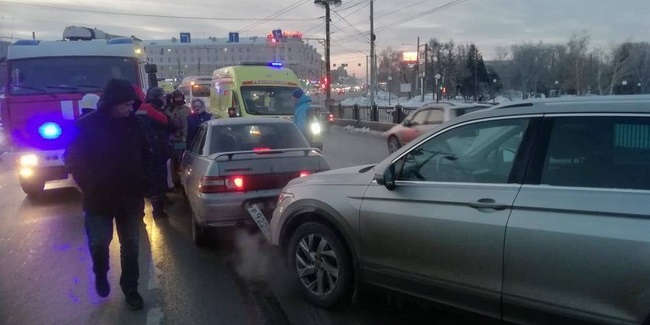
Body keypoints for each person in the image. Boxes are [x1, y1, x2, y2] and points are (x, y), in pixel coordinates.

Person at [65, 78, 152, 310]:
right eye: (125, 104)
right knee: (99, 244)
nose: (130, 109)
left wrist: (147, 181)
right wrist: (90, 184)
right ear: (112, 103)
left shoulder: (137, 125)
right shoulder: (87, 125)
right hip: (99, 199)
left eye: (131, 104)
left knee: (131, 246)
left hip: (130, 198)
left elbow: (147, 154)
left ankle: (131, 288)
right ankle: (101, 273)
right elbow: (73, 157)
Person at [137, 87, 175, 219]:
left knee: (139, 184)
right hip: (156, 151)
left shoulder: (136, 109)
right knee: (157, 181)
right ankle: (158, 212)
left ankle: (138, 213)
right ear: (158, 98)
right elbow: (168, 124)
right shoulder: (151, 110)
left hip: (139, 153)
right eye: (163, 97)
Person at [166, 89, 191, 186]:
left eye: (180, 97)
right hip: (173, 139)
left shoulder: (187, 109)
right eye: (176, 97)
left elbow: (189, 123)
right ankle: (174, 180)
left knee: (183, 160)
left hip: (185, 138)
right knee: (173, 160)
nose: (178, 99)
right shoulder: (170, 109)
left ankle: (183, 179)